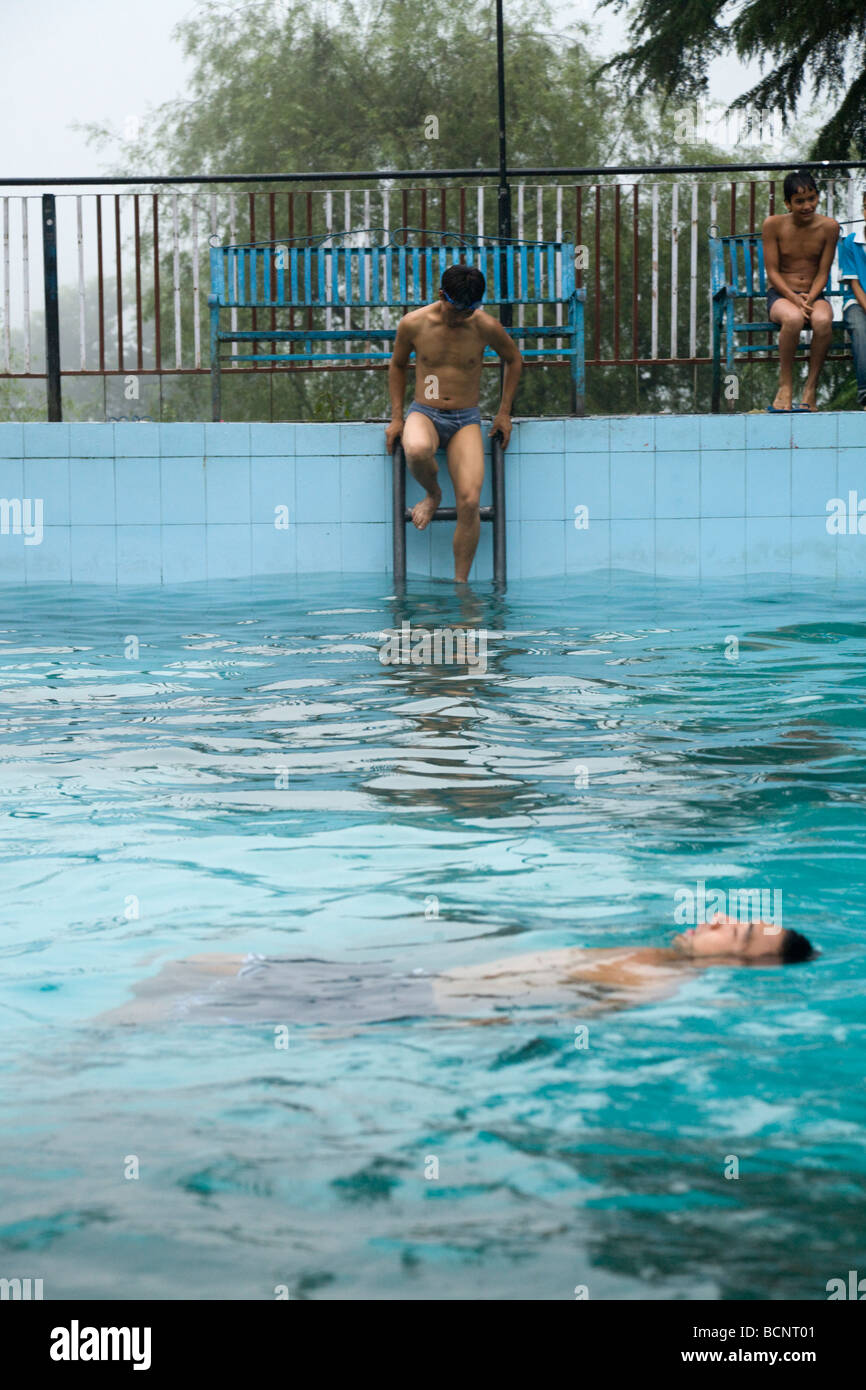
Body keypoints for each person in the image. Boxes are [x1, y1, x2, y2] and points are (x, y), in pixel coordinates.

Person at [93, 916, 815, 1027]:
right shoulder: (645, 956)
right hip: (397, 981)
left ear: (739, 965)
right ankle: (104, 1030)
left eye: (739, 932)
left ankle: (83, 1047)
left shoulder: (651, 983)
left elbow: (539, 1023)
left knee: (203, 990)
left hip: (404, 1000)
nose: (719, 919)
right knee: (200, 962)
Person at [385, 264, 522, 582]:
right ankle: (433, 494)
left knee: (471, 501)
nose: (464, 316)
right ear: (442, 296)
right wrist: (396, 418)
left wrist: (504, 412)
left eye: (470, 309)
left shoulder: (484, 326)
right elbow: (397, 365)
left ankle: (462, 590)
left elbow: (513, 359)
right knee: (417, 449)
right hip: (425, 413)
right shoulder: (414, 324)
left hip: (465, 420)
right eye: (458, 309)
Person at [761, 170, 839, 412]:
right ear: (788, 203)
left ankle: (811, 388)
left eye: (812, 199)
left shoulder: (829, 227)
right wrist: (794, 299)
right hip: (782, 296)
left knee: (824, 320)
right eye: (800, 201)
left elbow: (823, 272)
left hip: (813, 295)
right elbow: (772, 272)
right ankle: (785, 385)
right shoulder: (773, 225)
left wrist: (810, 298)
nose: (807, 206)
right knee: (793, 319)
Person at [838, 189, 866, 410]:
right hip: (857, 301)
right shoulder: (851, 242)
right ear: (864, 210)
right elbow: (854, 283)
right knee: (860, 327)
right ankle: (865, 393)